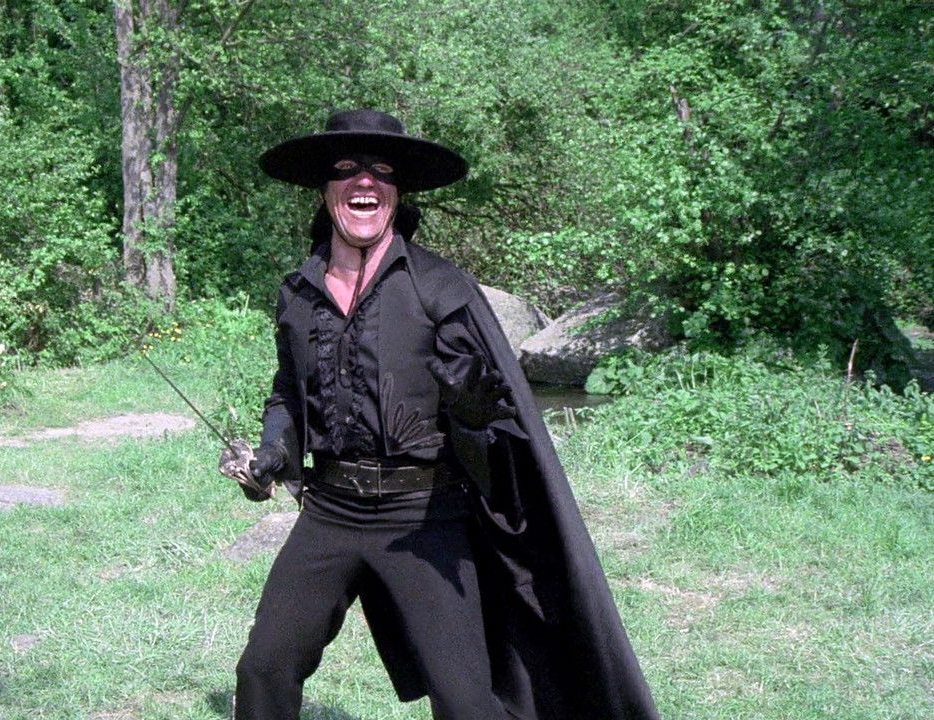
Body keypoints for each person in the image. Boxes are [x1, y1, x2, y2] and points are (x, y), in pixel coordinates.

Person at [220, 109, 659, 720]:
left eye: (381, 170)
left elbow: (499, 425)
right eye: (346, 168)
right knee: (264, 666)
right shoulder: (298, 291)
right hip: (332, 511)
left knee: (465, 701)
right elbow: (289, 394)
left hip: (425, 517)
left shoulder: (441, 287)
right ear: (325, 190)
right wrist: (272, 453)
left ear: (397, 192)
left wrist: (475, 415)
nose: (364, 181)